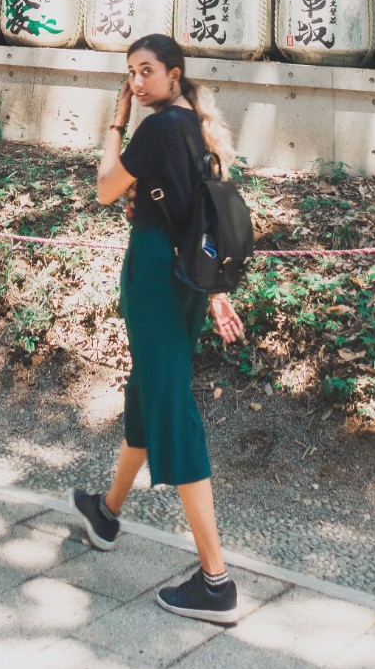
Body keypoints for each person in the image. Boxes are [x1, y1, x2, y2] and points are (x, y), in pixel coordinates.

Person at [72, 33, 245, 625]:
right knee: (148, 391)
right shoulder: (193, 124)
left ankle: (216, 582)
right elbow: (197, 210)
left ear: (174, 73)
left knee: (171, 404)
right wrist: (216, 293)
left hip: (154, 272)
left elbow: (104, 189)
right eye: (130, 74)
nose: (136, 83)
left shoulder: (156, 129)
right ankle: (107, 512)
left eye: (146, 71)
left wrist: (115, 124)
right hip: (186, 278)